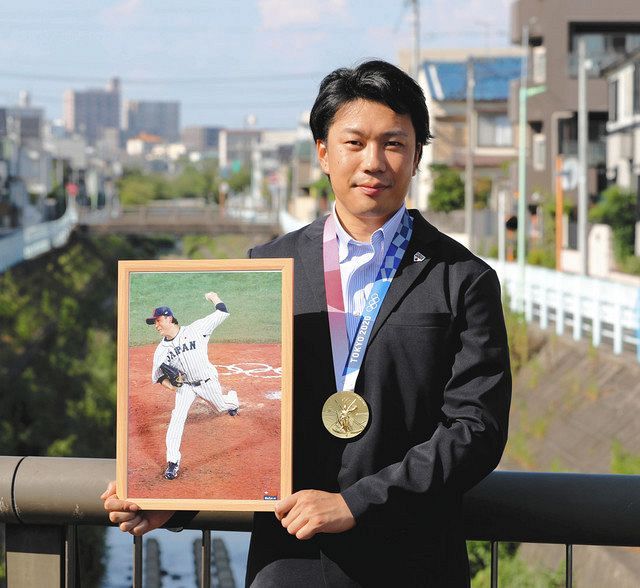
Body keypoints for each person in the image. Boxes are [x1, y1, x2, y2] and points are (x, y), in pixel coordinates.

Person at [103, 60, 511, 587]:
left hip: (416, 559)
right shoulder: (270, 268)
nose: (374, 161)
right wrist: (169, 506)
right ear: (322, 152)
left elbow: (476, 431)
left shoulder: (462, 279)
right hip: (289, 559)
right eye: (354, 142)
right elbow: (255, 425)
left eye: (394, 143)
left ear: (416, 157)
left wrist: (356, 503)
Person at [147, 292, 239, 480]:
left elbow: (222, 312)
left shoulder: (197, 329)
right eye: (154, 323)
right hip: (185, 388)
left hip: (207, 381)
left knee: (221, 406)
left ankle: (232, 400)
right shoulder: (161, 351)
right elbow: (158, 377)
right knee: (177, 418)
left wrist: (214, 297)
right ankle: (173, 462)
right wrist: (173, 387)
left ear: (169, 318)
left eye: (157, 321)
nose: (156, 326)